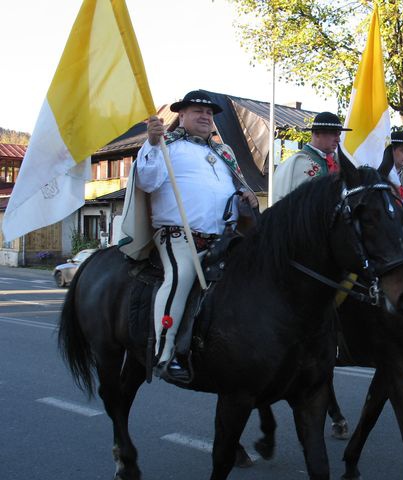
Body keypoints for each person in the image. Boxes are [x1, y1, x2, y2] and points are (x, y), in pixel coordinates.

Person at [119, 89, 258, 382]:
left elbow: (230, 189)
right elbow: (147, 180)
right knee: (180, 278)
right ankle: (164, 353)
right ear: (181, 115)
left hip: (224, 239)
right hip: (180, 237)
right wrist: (153, 144)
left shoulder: (224, 152)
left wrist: (244, 194)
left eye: (209, 113)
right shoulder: (164, 143)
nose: (206, 116)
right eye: (198, 111)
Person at [272, 111, 351, 202]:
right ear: (317, 134)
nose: (338, 139)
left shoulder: (341, 163)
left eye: (339, 134)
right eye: (334, 134)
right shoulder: (295, 164)